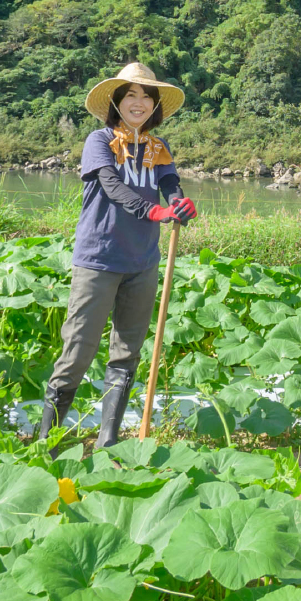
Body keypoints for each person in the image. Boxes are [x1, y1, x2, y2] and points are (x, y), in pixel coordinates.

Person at [47, 62, 196, 444]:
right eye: (131, 94)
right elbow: (111, 185)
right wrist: (153, 211)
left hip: (142, 261)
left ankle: (107, 439)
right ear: (116, 101)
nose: (139, 102)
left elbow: (170, 183)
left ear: (154, 106)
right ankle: (47, 441)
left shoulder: (157, 148)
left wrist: (178, 204)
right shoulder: (99, 141)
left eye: (147, 96)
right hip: (100, 258)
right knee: (78, 349)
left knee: (127, 351)